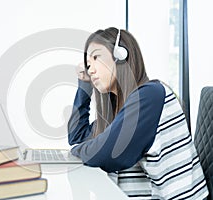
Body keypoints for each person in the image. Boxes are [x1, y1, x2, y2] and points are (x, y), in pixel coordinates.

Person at [68, 27, 208, 199]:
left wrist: (76, 151)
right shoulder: (119, 112)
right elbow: (77, 137)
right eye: (88, 64)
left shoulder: (150, 95)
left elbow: (108, 154)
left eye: (96, 57)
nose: (90, 70)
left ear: (120, 56)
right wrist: (84, 85)